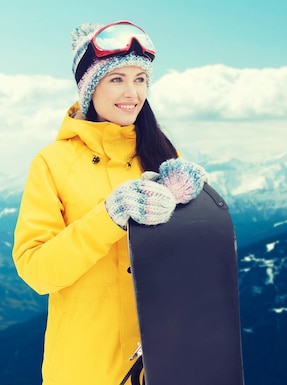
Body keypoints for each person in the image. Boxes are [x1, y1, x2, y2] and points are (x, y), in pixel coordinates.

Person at [12, 21, 207, 385]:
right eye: (116, 79)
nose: (131, 92)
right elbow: (37, 271)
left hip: (162, 364)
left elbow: (192, 267)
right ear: (89, 87)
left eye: (140, 79)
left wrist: (197, 210)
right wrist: (109, 217)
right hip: (83, 370)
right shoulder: (53, 163)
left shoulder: (164, 156)